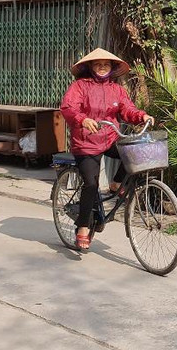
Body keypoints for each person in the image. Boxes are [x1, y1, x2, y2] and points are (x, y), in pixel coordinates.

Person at [60, 48, 154, 250]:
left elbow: (127, 108)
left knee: (134, 154)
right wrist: (82, 119)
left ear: (112, 68)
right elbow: (68, 108)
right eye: (98, 64)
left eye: (106, 64)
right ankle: (83, 227)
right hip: (85, 143)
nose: (102, 67)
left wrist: (141, 116)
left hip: (110, 137)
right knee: (91, 185)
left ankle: (116, 183)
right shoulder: (80, 86)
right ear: (91, 67)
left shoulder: (117, 89)